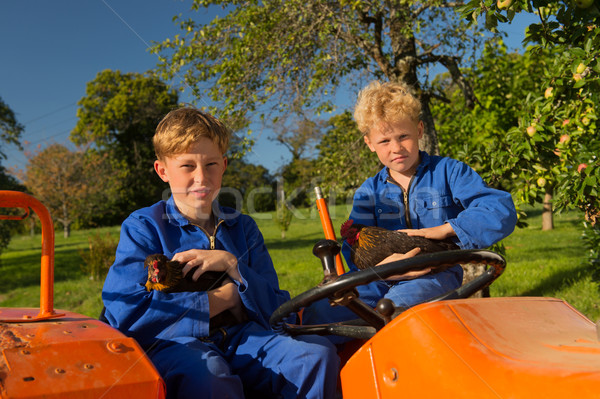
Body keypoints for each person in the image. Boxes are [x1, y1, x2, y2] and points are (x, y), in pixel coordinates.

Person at [101, 107, 339, 399]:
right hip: (175, 345)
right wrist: (227, 297)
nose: (202, 177)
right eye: (187, 166)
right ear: (162, 170)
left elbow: (276, 309)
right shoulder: (144, 227)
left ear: (224, 165)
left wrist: (232, 265)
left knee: (315, 356)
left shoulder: (243, 228)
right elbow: (128, 314)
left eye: (211, 164)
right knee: (210, 375)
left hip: (242, 339)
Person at [302, 80, 517, 333]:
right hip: (379, 279)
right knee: (318, 313)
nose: (396, 148)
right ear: (369, 143)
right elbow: (353, 243)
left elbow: (499, 209)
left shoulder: (449, 172)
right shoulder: (369, 192)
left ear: (419, 130)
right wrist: (381, 269)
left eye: (403, 136)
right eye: (384, 141)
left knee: (394, 307)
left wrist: (448, 229)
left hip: (436, 274)